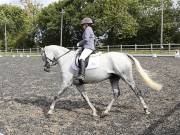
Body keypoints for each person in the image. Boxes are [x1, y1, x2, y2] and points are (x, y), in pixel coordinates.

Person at [77, 17, 95, 81]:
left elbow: (86, 39)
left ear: (86, 24)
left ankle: (82, 75)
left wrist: (79, 43)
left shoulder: (88, 29)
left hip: (88, 47)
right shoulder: (89, 29)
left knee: (81, 58)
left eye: (83, 25)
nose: (82, 26)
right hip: (87, 46)